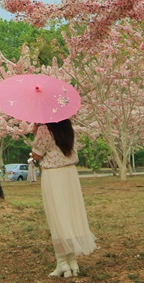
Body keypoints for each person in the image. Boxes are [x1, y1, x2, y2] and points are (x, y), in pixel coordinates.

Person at [30, 118, 96, 278]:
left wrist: (35, 134)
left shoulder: (44, 129)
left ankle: (62, 264)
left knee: (58, 217)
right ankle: (72, 262)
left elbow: (37, 155)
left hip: (54, 175)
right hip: (70, 174)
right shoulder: (68, 127)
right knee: (70, 216)